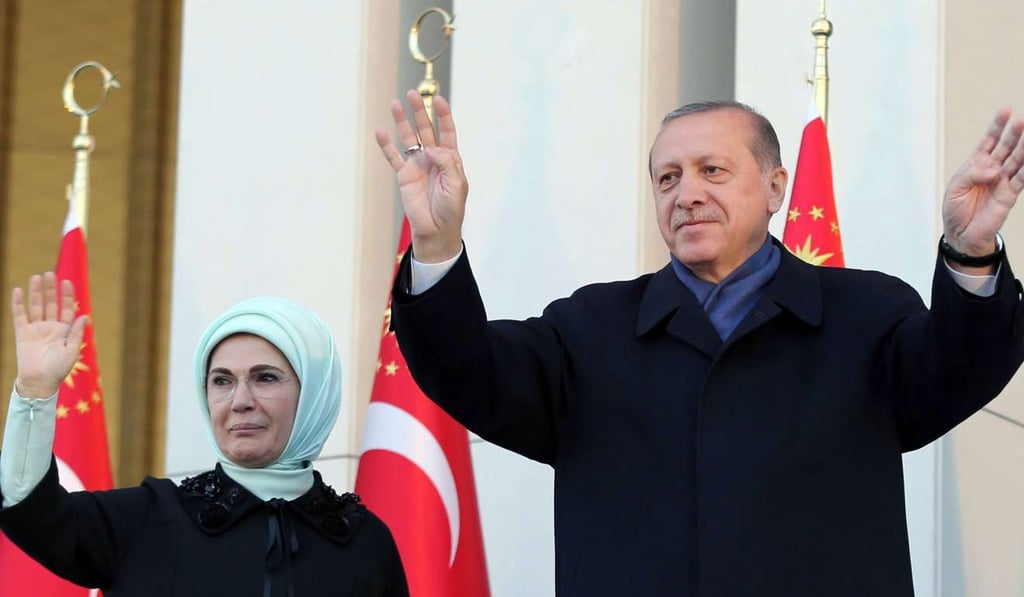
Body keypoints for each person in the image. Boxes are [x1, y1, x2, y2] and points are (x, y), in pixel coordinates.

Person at [375, 90, 1024, 596]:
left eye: (712, 170)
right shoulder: (589, 330)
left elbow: (958, 370)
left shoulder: (865, 316)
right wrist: (436, 247)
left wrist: (970, 254)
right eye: (667, 178)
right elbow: (466, 370)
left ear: (776, 188)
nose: (687, 194)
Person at [0, 276, 409, 597]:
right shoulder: (144, 520)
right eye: (221, 381)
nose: (240, 401)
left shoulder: (365, 542)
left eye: (265, 378)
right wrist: (35, 392)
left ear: (314, 393)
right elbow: (27, 507)